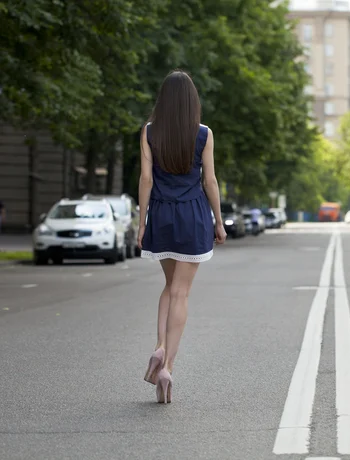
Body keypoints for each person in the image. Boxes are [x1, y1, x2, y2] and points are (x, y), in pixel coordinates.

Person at [137, 70, 227, 404]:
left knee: (168, 287)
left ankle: (159, 347)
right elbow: (210, 181)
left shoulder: (149, 133)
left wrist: (142, 222)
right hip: (192, 217)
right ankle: (168, 366)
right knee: (181, 293)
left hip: (160, 215)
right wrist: (219, 221)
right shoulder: (203, 134)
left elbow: (146, 180)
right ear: (192, 102)